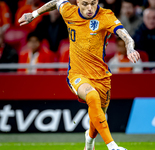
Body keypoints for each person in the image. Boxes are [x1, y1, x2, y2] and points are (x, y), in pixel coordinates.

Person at [18, 0, 140, 149]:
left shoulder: (106, 16)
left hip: (101, 77)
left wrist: (130, 48)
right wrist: (34, 14)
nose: (89, 8)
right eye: (85, 4)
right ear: (77, 2)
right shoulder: (69, 11)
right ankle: (112, 146)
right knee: (92, 96)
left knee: (98, 116)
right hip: (77, 74)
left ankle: (89, 140)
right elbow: (56, 2)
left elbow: (126, 36)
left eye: (93, 3)